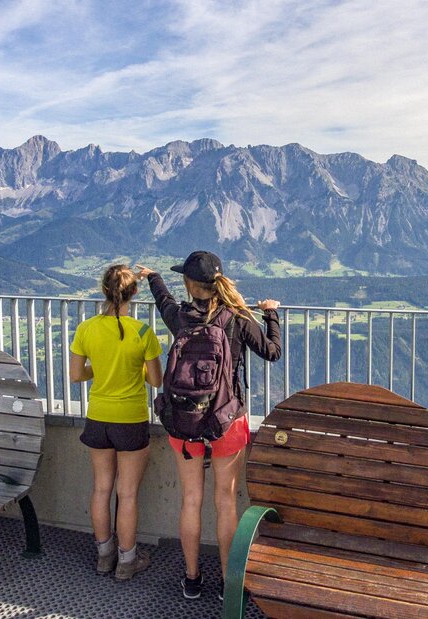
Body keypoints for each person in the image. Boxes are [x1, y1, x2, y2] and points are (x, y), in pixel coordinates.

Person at [136, 251, 281, 601]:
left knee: (191, 500)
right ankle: (228, 585)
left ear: (189, 284)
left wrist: (154, 277)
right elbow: (272, 351)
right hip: (227, 421)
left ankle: (192, 579)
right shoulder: (237, 318)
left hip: (184, 423)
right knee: (226, 503)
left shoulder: (180, 318)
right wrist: (270, 312)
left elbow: (164, 301)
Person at [69, 264, 163, 580]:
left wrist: (102, 369)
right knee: (128, 494)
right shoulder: (142, 332)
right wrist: (132, 369)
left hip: (97, 418)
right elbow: (155, 380)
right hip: (130, 419)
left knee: (101, 489)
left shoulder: (86, 329)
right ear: (133, 294)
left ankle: (104, 556)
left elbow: (76, 374)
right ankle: (127, 561)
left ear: (104, 290)